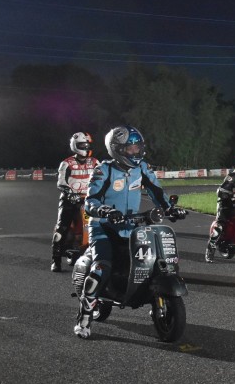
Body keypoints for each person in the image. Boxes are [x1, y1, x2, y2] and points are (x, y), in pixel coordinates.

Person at [74, 125, 184, 338]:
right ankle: (84, 318)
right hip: (103, 227)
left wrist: (170, 209)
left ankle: (151, 295)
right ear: (117, 149)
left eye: (137, 147)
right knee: (101, 267)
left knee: (153, 261)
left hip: (131, 226)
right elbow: (90, 201)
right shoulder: (104, 170)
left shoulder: (142, 168)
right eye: (130, 148)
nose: (136, 152)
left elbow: (156, 192)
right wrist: (105, 210)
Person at [50, 132, 99, 272]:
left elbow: (103, 179)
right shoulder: (66, 163)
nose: (86, 147)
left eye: (87, 145)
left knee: (102, 225)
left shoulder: (95, 162)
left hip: (89, 199)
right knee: (61, 229)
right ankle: (56, 260)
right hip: (70, 200)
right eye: (83, 145)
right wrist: (70, 193)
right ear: (75, 146)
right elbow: (61, 182)